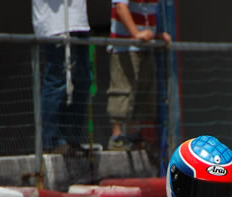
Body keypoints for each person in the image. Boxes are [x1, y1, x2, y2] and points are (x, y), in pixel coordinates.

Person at [105, 0, 170, 151]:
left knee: (143, 91)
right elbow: (120, 8)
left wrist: (157, 36)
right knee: (122, 88)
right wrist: (136, 34)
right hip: (125, 48)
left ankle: (133, 135)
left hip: (145, 47)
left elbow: (146, 16)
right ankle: (117, 136)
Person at [32, 0, 91, 155]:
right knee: (58, 81)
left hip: (79, 22)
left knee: (82, 82)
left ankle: (73, 138)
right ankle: (51, 141)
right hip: (56, 24)